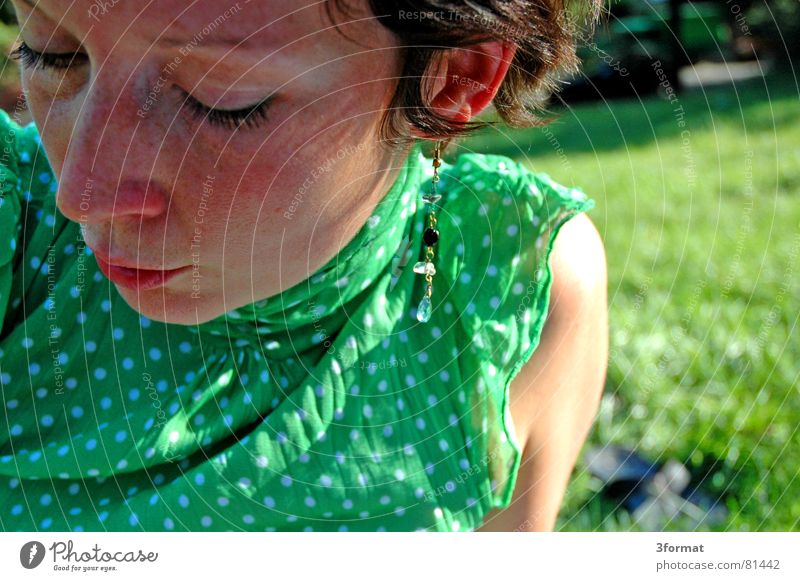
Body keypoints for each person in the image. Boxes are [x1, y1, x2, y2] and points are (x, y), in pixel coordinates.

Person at [0, 0, 608, 531]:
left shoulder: (512, 285)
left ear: (452, 81)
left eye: (222, 101)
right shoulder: (16, 232)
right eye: (50, 53)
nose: (81, 194)